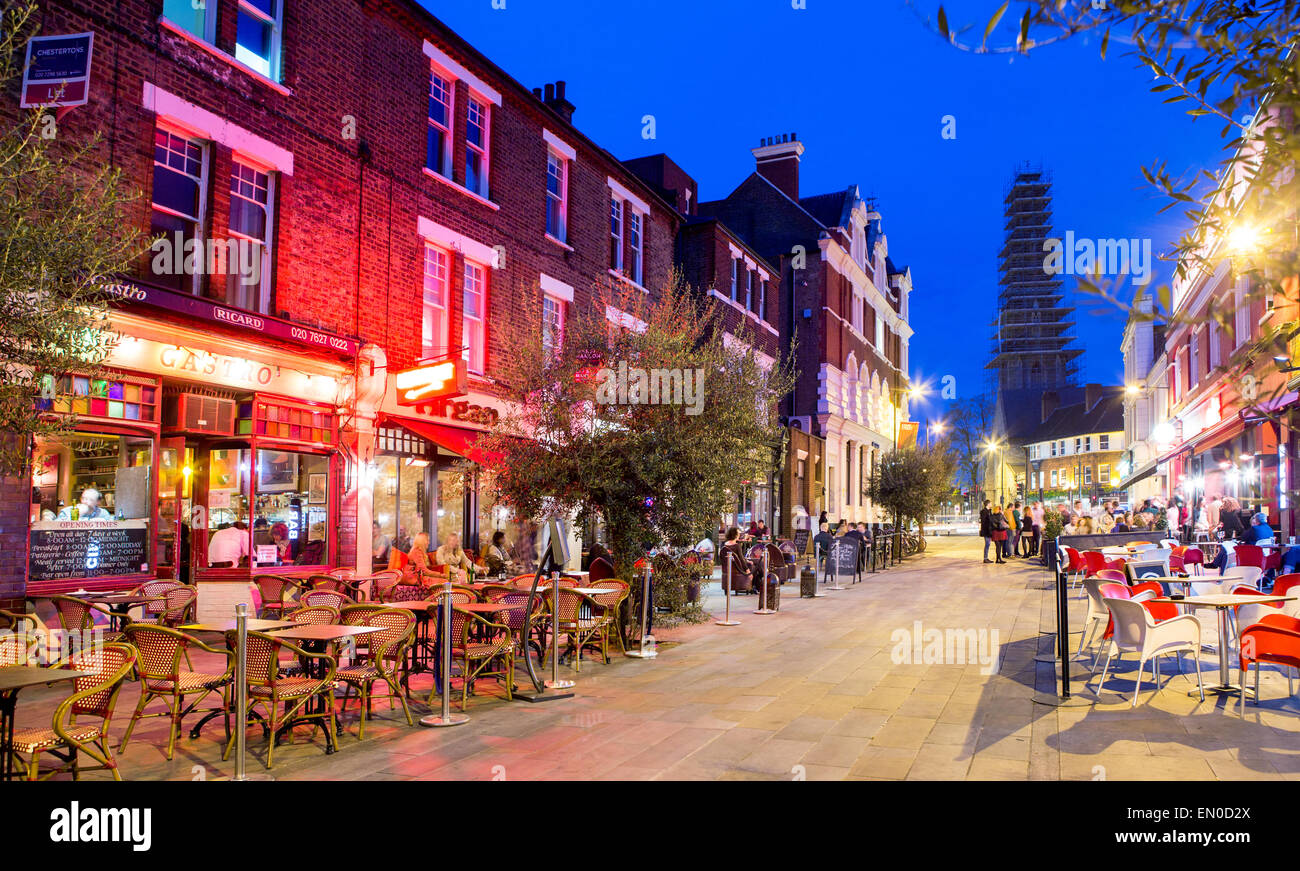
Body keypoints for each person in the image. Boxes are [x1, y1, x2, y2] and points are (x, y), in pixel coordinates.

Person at [720, 527, 756, 591]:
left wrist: (746, 561)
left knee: (750, 563)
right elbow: (741, 559)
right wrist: (747, 570)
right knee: (753, 567)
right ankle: (753, 587)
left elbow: (737, 558)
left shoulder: (724, 545)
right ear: (736, 535)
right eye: (738, 533)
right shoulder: (737, 546)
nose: (739, 534)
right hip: (738, 569)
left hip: (727, 569)